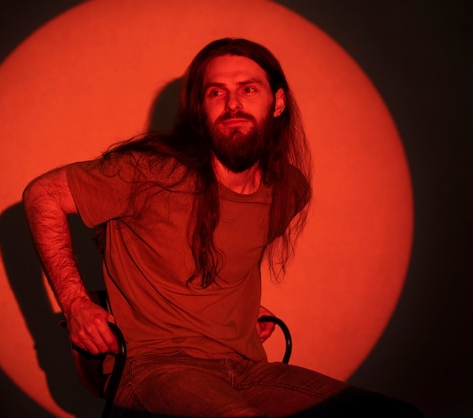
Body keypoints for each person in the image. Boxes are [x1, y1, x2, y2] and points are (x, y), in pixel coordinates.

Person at [23, 38, 423, 417]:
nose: (233, 104)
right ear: (201, 108)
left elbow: (229, 254)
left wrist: (242, 309)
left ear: (277, 101)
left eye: (248, 89)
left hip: (246, 368)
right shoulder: (149, 172)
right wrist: (76, 303)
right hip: (154, 368)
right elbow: (43, 194)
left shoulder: (287, 188)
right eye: (216, 92)